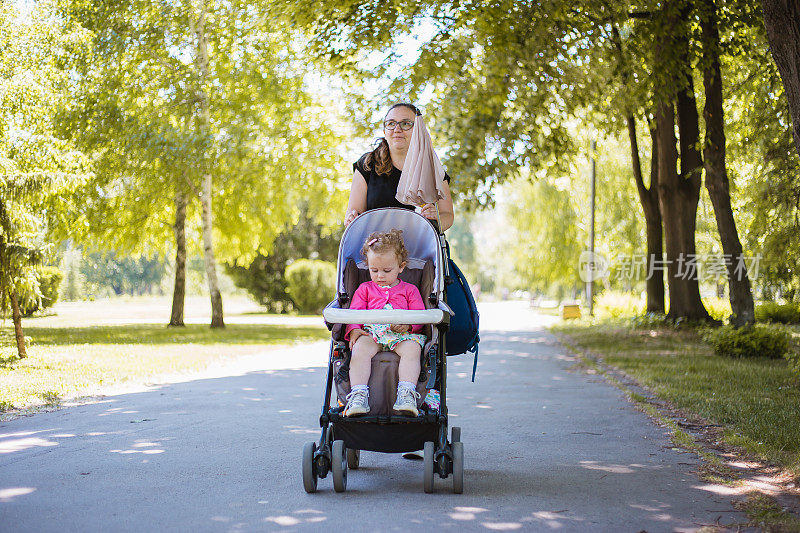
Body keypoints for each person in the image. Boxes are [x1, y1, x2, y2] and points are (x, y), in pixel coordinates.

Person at [343, 230, 427, 417]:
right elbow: (354, 313)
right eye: (374, 270)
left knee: (413, 350)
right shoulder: (364, 289)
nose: (380, 275)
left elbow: (420, 315)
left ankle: (406, 394)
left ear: (401, 266)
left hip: (401, 335)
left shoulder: (409, 290)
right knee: (359, 350)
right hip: (372, 334)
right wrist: (355, 330)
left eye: (386, 270)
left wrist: (409, 326)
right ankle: (358, 394)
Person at [344, 103, 455, 230]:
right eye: (391, 123)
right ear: (385, 131)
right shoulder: (367, 164)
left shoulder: (431, 167)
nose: (397, 129)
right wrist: (351, 219)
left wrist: (437, 221)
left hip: (420, 245)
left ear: (419, 129)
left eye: (406, 123)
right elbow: (354, 213)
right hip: (375, 247)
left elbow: (448, 215)